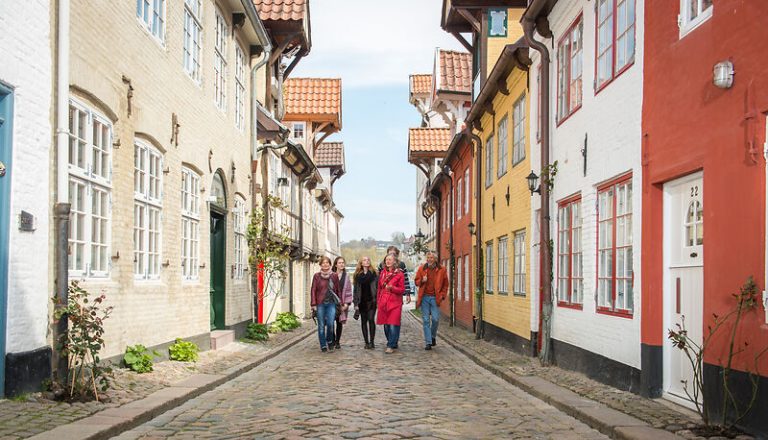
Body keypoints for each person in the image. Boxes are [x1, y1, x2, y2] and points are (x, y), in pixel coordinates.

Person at [378, 246, 412, 348]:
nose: (389, 260)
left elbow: (405, 281)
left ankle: (392, 343)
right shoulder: (382, 269)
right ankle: (391, 341)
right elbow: (379, 286)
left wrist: (407, 293)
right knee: (386, 325)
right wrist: (378, 300)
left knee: (394, 322)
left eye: (393, 255)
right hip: (384, 301)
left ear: (396, 257)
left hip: (395, 301)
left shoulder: (401, 268)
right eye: (388, 256)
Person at [414, 251, 448, 350]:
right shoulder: (422, 268)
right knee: (425, 320)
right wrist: (422, 280)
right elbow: (416, 282)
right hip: (424, 297)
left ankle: (433, 336)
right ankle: (428, 342)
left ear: (435, 259)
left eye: (431, 258)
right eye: (428, 258)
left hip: (435, 298)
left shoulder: (442, 269)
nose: (429, 259)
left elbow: (446, 284)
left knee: (435, 319)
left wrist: (442, 295)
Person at [310, 256, 341, 352]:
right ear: (320, 265)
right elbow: (313, 290)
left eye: (327, 262)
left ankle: (329, 340)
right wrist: (313, 304)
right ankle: (323, 345)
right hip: (320, 303)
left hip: (331, 303)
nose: (325, 264)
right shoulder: (316, 276)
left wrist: (340, 302)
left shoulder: (334, 276)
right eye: (323, 263)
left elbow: (338, 290)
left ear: (330, 264)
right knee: (321, 325)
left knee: (330, 324)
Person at [352, 256, 378, 349]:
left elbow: (378, 288)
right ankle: (366, 342)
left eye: (368, 260)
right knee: (363, 321)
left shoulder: (374, 274)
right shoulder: (357, 275)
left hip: (372, 301)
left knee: (371, 319)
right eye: (364, 260)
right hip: (361, 302)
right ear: (361, 263)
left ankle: (372, 342)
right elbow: (355, 290)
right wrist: (355, 304)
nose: (367, 261)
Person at [332, 256, 353, 349]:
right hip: (331, 302)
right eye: (339, 263)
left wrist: (347, 304)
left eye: (343, 263)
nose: (341, 264)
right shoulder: (331, 275)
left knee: (339, 322)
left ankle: (337, 341)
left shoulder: (346, 276)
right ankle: (332, 339)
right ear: (336, 264)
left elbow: (348, 290)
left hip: (341, 302)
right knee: (330, 322)